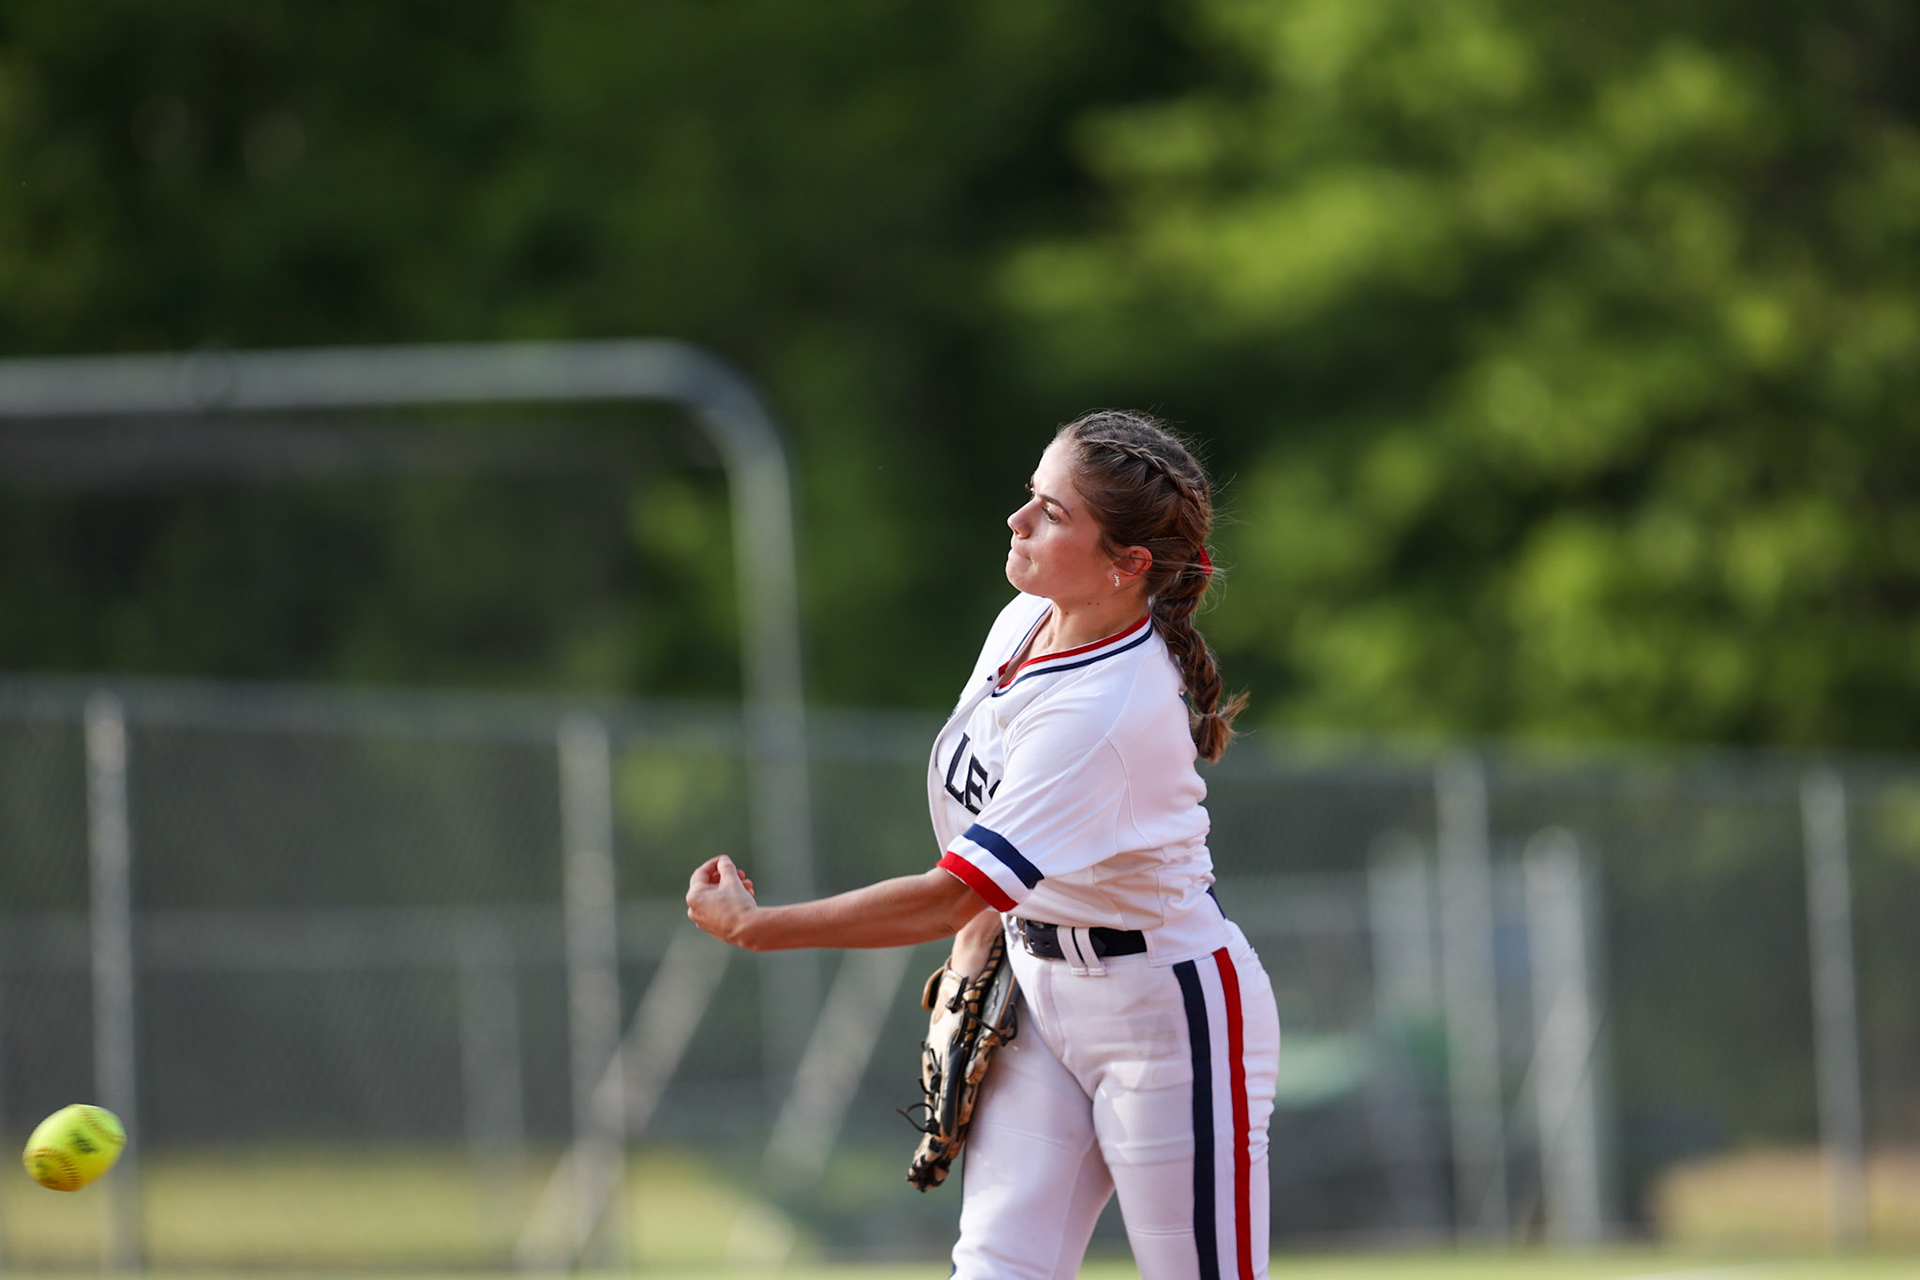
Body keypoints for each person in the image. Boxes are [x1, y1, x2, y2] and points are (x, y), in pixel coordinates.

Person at [687, 410, 1280, 1280]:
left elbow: (948, 891)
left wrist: (757, 927)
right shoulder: (1024, 621)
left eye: (1052, 511)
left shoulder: (1105, 710)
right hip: (1042, 992)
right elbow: (986, 851)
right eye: (1029, 495)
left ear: (1128, 564)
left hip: (1167, 1015)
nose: (1019, 520)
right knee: (997, 1267)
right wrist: (982, 942)